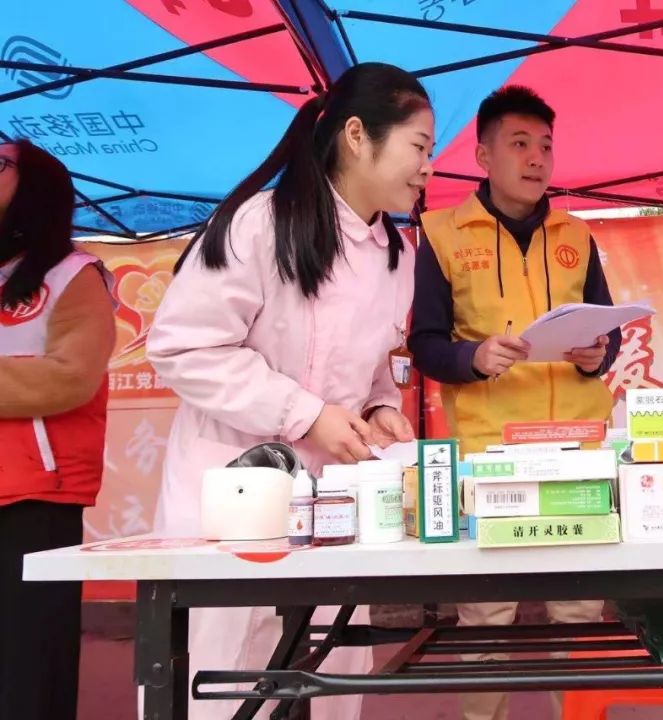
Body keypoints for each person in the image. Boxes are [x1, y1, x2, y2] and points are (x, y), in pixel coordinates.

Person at [146, 62, 433, 720]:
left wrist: (379, 408)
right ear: (357, 137)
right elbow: (184, 347)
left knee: (327, 671)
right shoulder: (259, 225)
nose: (428, 167)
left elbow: (368, 370)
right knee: (222, 678)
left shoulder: (396, 255)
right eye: (419, 146)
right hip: (232, 489)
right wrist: (304, 415)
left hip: (330, 500)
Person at [408, 86, 620, 720]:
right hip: (491, 450)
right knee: (486, 615)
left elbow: (607, 332)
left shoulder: (576, 235)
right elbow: (426, 343)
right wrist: (472, 357)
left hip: (577, 448)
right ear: (482, 155)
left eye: (546, 146)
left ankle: (577, 715)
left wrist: (597, 354)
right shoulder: (441, 234)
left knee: (580, 610)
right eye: (520, 143)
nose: (536, 158)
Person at [0, 139, 117, 720]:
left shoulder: (74, 275)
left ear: (36, 187)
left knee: (28, 666)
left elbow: (71, 377)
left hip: (35, 496)